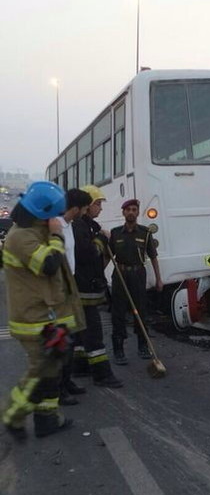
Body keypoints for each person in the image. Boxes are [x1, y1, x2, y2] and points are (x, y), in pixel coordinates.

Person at [1, 181, 85, 440]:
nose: (57, 219)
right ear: (44, 213)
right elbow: (49, 264)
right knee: (39, 373)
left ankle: (47, 419)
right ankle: (13, 415)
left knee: (51, 371)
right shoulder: (20, 237)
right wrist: (58, 235)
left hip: (46, 316)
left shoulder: (34, 230)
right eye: (54, 215)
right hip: (32, 320)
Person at [72, 185, 123, 388]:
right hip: (84, 288)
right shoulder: (80, 227)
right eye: (98, 204)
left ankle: (80, 366)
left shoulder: (87, 225)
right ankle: (102, 375)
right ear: (89, 205)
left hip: (85, 287)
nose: (100, 208)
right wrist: (102, 239)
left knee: (81, 330)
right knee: (93, 332)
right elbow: (87, 254)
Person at [109, 199, 163, 364]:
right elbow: (108, 255)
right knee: (118, 313)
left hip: (138, 274)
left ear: (138, 213)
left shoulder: (145, 233)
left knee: (141, 311)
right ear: (123, 212)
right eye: (128, 210)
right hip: (120, 275)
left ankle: (143, 346)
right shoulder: (115, 233)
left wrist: (159, 279)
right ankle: (118, 350)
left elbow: (153, 257)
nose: (131, 212)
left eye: (134, 209)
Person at [57, 188, 92, 405]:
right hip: (59, 289)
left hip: (70, 286)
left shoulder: (69, 226)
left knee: (70, 338)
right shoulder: (56, 227)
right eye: (85, 208)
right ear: (77, 208)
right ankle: (59, 389)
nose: (86, 212)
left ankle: (66, 381)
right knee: (62, 340)